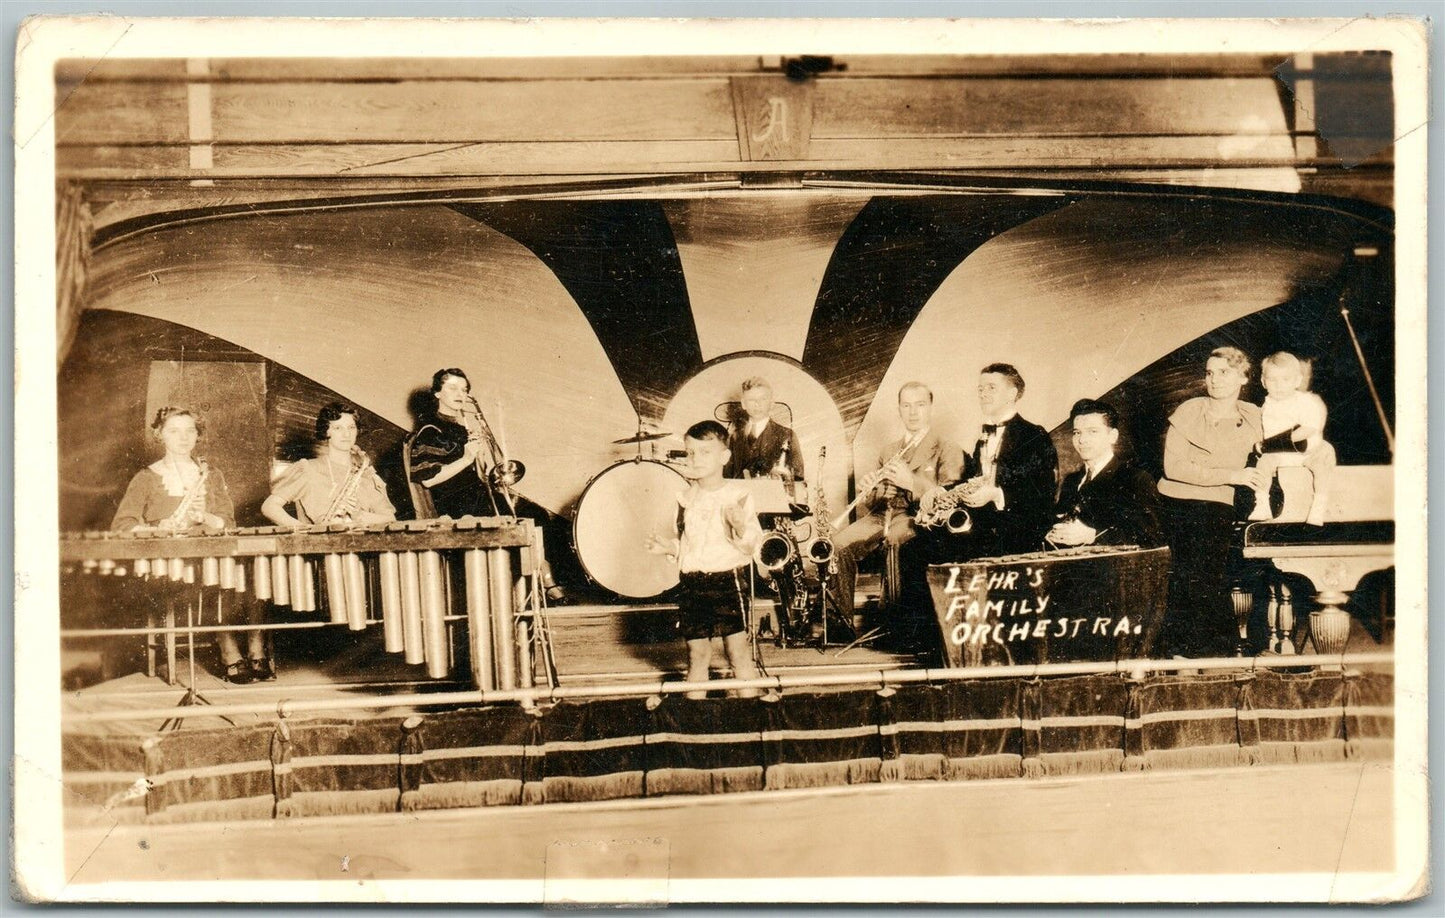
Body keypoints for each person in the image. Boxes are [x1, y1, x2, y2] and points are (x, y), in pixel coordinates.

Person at [110, 406, 268, 684]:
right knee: (209, 579)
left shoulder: (211, 474)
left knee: (253, 572)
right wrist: (157, 527)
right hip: (171, 562)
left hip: (212, 553)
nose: (183, 438)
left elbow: (227, 521)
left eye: (189, 431)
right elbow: (122, 526)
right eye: (174, 431)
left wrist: (204, 516)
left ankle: (257, 650)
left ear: (197, 436)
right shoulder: (146, 477)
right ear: (160, 435)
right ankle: (229, 652)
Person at [408, 367, 566, 602]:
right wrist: (467, 458)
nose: (460, 393)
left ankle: (540, 579)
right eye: (452, 388)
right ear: (437, 393)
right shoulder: (431, 430)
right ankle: (541, 585)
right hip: (455, 503)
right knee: (524, 519)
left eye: (464, 389)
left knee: (536, 514)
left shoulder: (460, 427)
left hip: (475, 495)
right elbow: (428, 479)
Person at [1157, 346, 1265, 659]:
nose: (1214, 379)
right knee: (1183, 576)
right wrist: (1233, 473)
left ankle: (1209, 654)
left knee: (1205, 577)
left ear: (1244, 377)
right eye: (1209, 372)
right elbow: (1173, 468)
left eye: (1224, 372)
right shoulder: (1190, 409)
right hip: (1174, 500)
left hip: (1218, 504)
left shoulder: (1255, 416)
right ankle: (1185, 653)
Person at [645, 420, 765, 698]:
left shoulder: (738, 496)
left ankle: (754, 716)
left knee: (737, 653)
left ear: (724, 456)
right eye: (690, 452)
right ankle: (693, 723)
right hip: (693, 584)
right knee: (697, 654)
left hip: (727, 582)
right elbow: (691, 546)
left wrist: (739, 528)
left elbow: (751, 547)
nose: (695, 459)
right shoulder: (685, 497)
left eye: (704, 452)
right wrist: (670, 548)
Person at [832, 382, 964, 625]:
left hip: (917, 517)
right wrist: (872, 488)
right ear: (899, 410)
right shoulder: (890, 449)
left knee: (895, 541)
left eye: (920, 405)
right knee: (838, 545)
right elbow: (873, 503)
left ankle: (897, 625)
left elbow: (949, 496)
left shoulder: (948, 448)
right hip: (882, 515)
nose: (913, 412)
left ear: (930, 408)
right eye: (906, 405)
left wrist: (910, 482)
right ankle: (841, 625)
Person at [916, 363, 1058, 560]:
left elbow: (1043, 491)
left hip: (1019, 528)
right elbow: (973, 481)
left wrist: (996, 494)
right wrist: (942, 491)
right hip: (986, 524)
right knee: (920, 545)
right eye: (980, 389)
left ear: (1012, 394)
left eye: (991, 387)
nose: (983, 394)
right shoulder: (982, 439)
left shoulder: (1034, 435)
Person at [1045, 398, 1165, 549]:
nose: (1082, 440)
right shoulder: (1072, 480)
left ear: (1113, 436)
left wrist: (1092, 535)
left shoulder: (1135, 479)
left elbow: (1152, 537)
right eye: (1077, 432)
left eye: (1092, 431)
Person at [262, 402, 396, 528]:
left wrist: (360, 515)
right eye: (338, 428)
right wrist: (305, 530)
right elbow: (270, 507)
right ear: (326, 431)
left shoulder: (365, 473)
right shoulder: (308, 469)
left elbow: (389, 518)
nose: (346, 434)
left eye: (351, 427)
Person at [1248, 352, 1337, 527]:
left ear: (1297, 381)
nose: (1279, 385)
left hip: (1308, 451)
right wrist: (1266, 446)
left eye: (1285, 379)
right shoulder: (1267, 404)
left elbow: (1310, 427)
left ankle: (1318, 505)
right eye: (1272, 380)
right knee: (1263, 464)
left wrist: (1275, 442)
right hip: (1280, 454)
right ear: (1263, 382)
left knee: (1324, 456)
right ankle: (1262, 503)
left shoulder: (1305, 401)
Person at [724, 376, 805, 493]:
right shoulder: (734, 436)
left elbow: (798, 478)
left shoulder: (787, 435)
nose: (757, 404)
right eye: (751, 400)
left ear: (772, 403)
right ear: (743, 404)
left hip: (775, 503)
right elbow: (726, 476)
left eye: (763, 399)